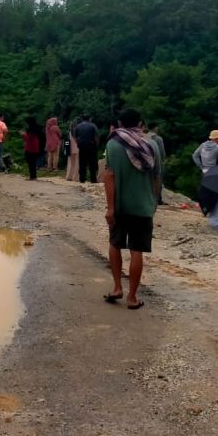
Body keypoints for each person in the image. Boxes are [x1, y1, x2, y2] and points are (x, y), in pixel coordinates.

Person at [103, 108, 160, 310]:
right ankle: (133, 297)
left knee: (115, 243)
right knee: (137, 250)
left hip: (119, 206)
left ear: (120, 123)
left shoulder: (113, 144)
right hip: (142, 206)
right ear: (140, 123)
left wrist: (110, 208)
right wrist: (153, 202)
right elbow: (156, 178)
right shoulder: (152, 144)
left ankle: (117, 287)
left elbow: (109, 176)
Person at [73, 115, 100, 183]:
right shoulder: (93, 126)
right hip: (91, 145)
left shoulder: (78, 126)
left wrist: (78, 143)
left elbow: (75, 137)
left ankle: (82, 178)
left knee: (82, 162)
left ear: (82, 119)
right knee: (92, 163)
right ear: (89, 119)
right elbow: (96, 136)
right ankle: (93, 179)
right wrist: (96, 145)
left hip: (82, 146)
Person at [148, 122, 166, 205]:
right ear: (155, 128)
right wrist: (163, 160)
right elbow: (161, 152)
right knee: (158, 179)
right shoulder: (158, 138)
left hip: (146, 161)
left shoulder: (145, 136)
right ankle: (158, 199)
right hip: (156, 161)